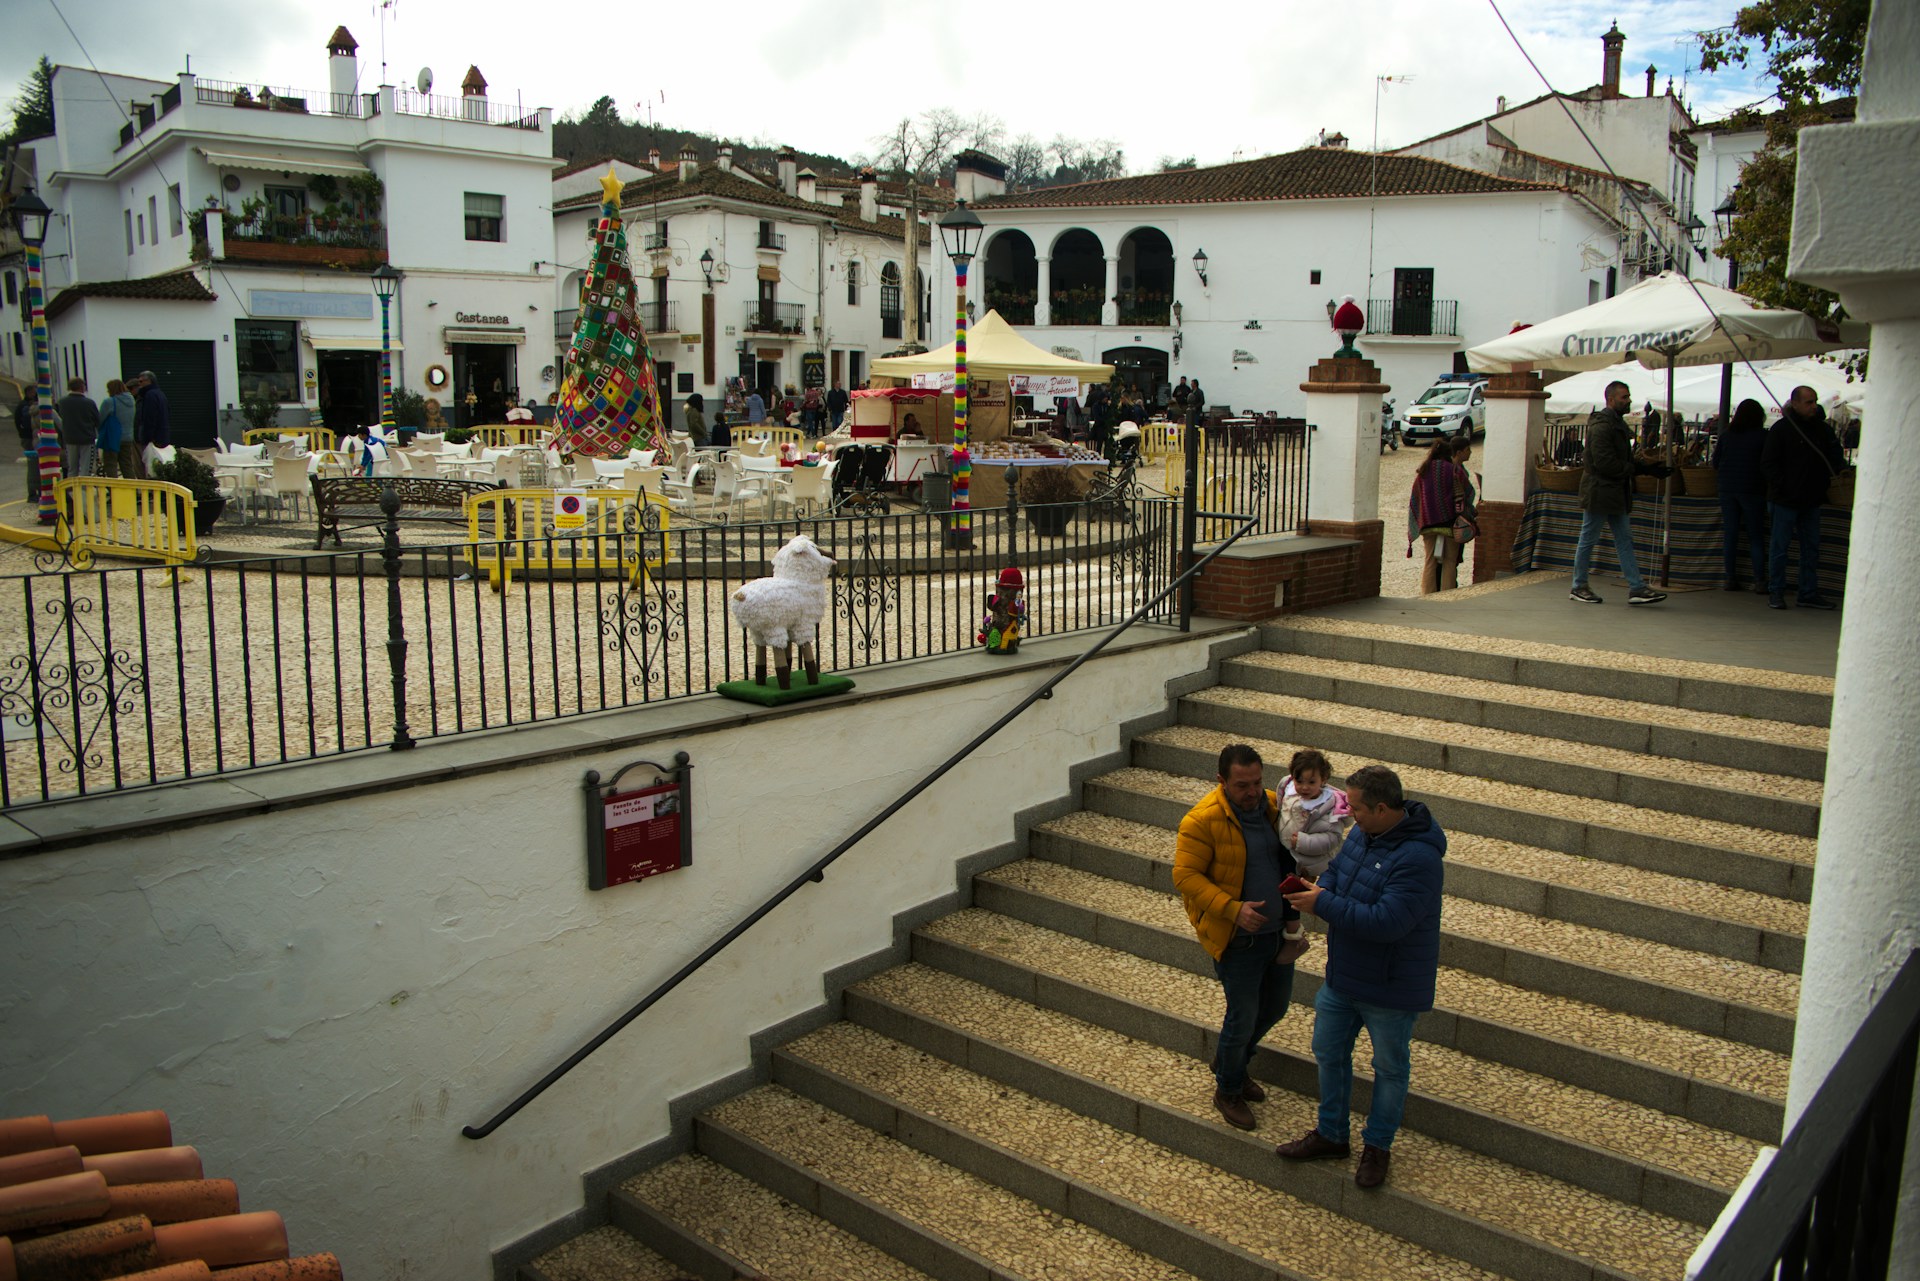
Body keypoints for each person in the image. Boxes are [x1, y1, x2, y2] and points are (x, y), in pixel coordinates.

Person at [1276, 764, 1445, 1190]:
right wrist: (1320, 890)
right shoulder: (1363, 834)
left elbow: (1388, 922)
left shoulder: (1420, 859)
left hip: (1390, 986)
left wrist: (1322, 905)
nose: (1346, 810)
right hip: (1345, 976)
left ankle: (1378, 1146)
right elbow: (1337, 874)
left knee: (1389, 1068)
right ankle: (1332, 1133)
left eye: (1355, 806)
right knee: (1328, 1052)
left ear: (1383, 809)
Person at [1171, 743, 1302, 1132]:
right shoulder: (1201, 821)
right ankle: (1228, 1088)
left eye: (1258, 782)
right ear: (1221, 781)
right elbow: (1185, 877)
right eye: (1242, 785)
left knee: (1275, 1008)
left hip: (1277, 934)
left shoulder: (1273, 806)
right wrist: (1233, 909)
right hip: (1237, 940)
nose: (1252, 792)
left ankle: (1233, 1061)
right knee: (1242, 1016)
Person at [1569, 380, 1666, 607]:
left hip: (1614, 492)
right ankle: (1579, 585)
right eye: (1624, 397)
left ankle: (1636, 587)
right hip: (1601, 491)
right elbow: (1605, 463)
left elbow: (1619, 460)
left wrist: (1647, 468)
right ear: (1611, 399)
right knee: (1589, 539)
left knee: (1623, 539)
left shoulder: (1615, 424)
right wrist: (1638, 469)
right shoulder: (1603, 426)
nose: (1629, 400)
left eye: (1628, 396)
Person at [1761, 384, 1848, 611]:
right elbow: (1768, 463)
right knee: (1780, 548)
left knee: (1811, 548)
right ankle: (1776, 591)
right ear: (1796, 403)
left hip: (1811, 499)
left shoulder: (1822, 430)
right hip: (1785, 499)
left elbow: (1834, 456)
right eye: (1808, 402)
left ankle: (1807, 592)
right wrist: (1783, 486)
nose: (1813, 406)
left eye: (1815, 401)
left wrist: (1833, 473)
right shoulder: (1781, 429)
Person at [1713, 398, 1769, 593]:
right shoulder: (1763, 437)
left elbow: (1715, 461)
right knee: (1755, 536)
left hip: (1727, 488)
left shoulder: (1727, 435)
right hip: (1753, 489)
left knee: (1731, 534)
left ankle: (1730, 578)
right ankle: (1760, 580)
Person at [1407, 438, 1470, 594]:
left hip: (1428, 524)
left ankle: (1427, 594)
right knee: (1449, 561)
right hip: (1449, 524)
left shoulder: (1423, 471)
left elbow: (1415, 498)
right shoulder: (1454, 470)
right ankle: (1446, 595)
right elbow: (1467, 491)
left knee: (1429, 561)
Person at [1278, 749, 1351, 881]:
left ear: (1323, 780)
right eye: (1299, 781)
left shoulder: (1329, 807)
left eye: (1311, 782)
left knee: (1300, 893)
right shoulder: (1288, 789)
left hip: (1307, 862)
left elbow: (1332, 838)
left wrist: (1302, 842)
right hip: (1284, 852)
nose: (1304, 787)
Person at [56, 377, 100, 480]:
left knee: (72, 468)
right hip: (87, 438)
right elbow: (97, 420)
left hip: (69, 438)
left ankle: (73, 490)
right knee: (86, 468)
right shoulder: (89, 403)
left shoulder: (62, 402)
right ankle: (84, 492)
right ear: (82, 387)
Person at [97, 378, 137, 478]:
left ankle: (114, 490)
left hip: (112, 438)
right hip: (128, 437)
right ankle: (131, 490)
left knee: (111, 465)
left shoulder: (109, 402)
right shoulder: (131, 400)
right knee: (127, 465)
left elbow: (100, 419)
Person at [133, 370, 171, 468]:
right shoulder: (160, 394)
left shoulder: (149, 395)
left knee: (150, 465)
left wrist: (148, 437)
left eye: (141, 382)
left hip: (153, 439)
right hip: (162, 436)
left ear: (149, 381)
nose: (139, 385)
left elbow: (149, 418)